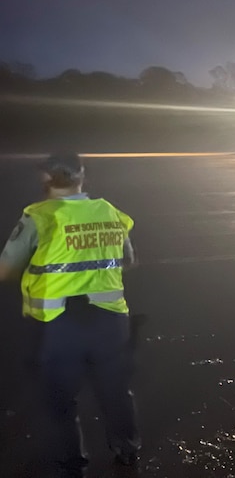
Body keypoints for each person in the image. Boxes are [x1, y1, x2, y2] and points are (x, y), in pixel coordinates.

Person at [0, 152, 140, 478]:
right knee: (116, 391)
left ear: (45, 178)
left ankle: (71, 465)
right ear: (82, 175)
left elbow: (5, 268)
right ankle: (127, 452)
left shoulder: (38, 216)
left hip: (57, 325)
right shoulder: (109, 211)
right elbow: (129, 260)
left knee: (60, 400)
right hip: (110, 320)